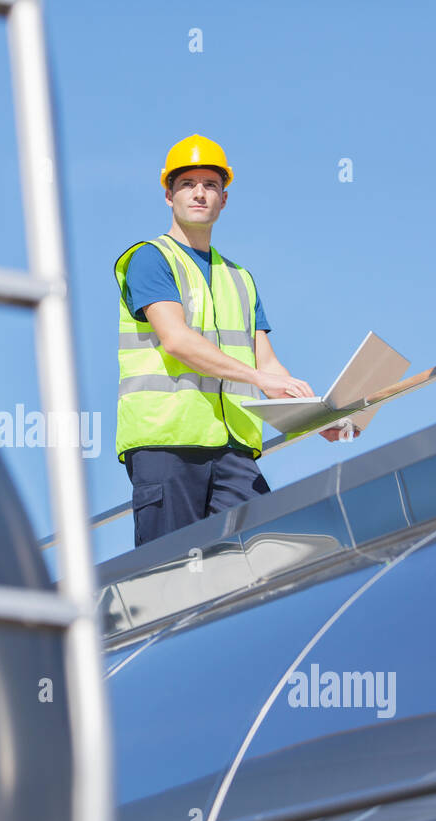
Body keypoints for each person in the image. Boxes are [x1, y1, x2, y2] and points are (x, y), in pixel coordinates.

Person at [115, 134, 360, 548]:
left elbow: (268, 366)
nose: (199, 193)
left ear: (224, 199)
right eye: (188, 183)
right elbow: (176, 340)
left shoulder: (240, 279)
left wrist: (320, 417)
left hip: (234, 453)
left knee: (254, 563)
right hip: (168, 446)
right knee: (170, 575)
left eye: (210, 185)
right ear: (168, 195)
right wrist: (259, 379)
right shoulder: (150, 259)